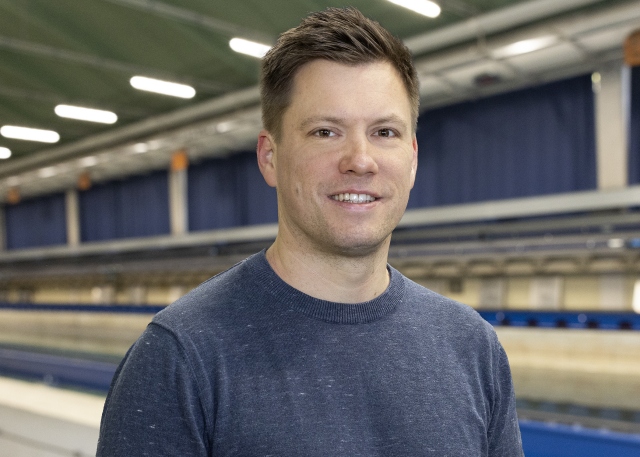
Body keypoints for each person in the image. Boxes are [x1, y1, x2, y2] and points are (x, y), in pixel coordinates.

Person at [97, 7, 523, 456]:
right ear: (269, 156)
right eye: (325, 132)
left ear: (413, 158)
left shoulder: (472, 347)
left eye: (384, 131)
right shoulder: (181, 359)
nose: (360, 160)